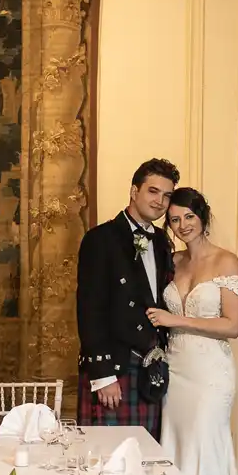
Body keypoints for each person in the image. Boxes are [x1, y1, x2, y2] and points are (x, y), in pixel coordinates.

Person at [148, 187, 238, 475]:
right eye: (174, 219)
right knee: (176, 443)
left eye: (188, 217)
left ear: (202, 217)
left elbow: (232, 326)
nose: (182, 225)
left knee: (205, 445)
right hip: (176, 372)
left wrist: (176, 320)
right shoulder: (174, 261)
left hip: (210, 374)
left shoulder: (226, 261)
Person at [76, 158, 178, 439]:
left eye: (167, 196)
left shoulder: (161, 241)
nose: (159, 202)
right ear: (134, 191)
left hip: (149, 368)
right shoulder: (100, 239)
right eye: (153, 191)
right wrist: (103, 374)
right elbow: (90, 309)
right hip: (115, 367)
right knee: (108, 457)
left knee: (144, 457)